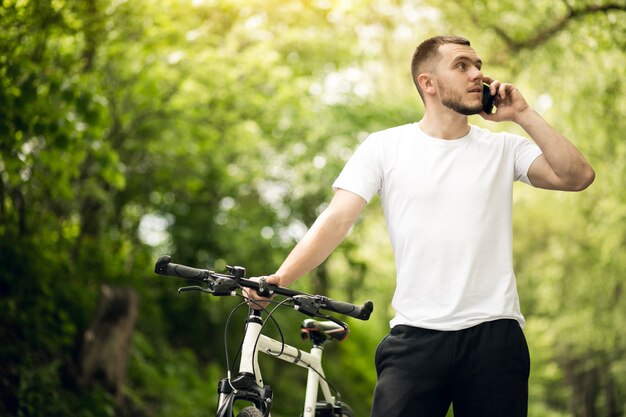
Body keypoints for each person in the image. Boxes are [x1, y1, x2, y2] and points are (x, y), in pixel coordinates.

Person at [247, 35, 595, 417]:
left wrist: (523, 114)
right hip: (416, 337)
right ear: (428, 82)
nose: (477, 73)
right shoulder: (385, 147)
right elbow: (337, 218)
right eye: (462, 65)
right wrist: (280, 277)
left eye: (478, 65)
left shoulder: (504, 149)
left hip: (495, 337)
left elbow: (577, 176)